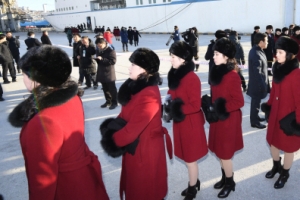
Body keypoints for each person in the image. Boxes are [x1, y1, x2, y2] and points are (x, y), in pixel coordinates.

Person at [8, 45, 109, 200]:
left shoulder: (43, 122)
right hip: (84, 181)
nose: (23, 79)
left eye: (24, 74)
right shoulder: (72, 98)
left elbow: (43, 180)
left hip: (65, 188)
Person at [100, 48, 172, 199]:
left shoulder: (149, 94)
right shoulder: (136, 88)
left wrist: (112, 140)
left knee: (144, 191)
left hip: (145, 153)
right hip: (135, 148)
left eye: (133, 65)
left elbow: (133, 129)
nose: (129, 67)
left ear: (144, 70)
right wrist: (111, 127)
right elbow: (125, 115)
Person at [166, 41, 208, 200]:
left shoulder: (192, 78)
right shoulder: (175, 74)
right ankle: (194, 181)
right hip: (180, 123)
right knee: (185, 155)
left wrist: (176, 109)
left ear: (183, 59)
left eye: (174, 56)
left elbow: (195, 105)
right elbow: (171, 94)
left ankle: (192, 189)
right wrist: (166, 105)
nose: (171, 59)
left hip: (190, 124)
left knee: (190, 159)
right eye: (171, 56)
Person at [261, 36, 300, 189]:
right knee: (273, 142)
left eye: (280, 52)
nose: (276, 55)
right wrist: (268, 106)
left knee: (288, 147)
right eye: (276, 51)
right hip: (275, 114)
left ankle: (285, 172)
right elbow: (273, 92)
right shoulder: (277, 68)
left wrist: (297, 122)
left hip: (288, 118)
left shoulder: (296, 74)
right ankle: (276, 165)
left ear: (289, 54)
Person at [208, 37, 244, 198]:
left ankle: (230, 182)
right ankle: (224, 177)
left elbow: (239, 101)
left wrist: (221, 108)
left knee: (225, 153)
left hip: (228, 120)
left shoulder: (232, 76)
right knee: (219, 151)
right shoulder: (216, 72)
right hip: (218, 119)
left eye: (216, 54)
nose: (213, 56)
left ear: (226, 57)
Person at [247, 33, 268, 129]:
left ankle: (256, 117)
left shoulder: (258, 50)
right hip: (257, 84)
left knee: (256, 102)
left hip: (258, 83)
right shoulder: (256, 53)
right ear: (261, 42)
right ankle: (254, 122)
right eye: (266, 41)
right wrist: (262, 85)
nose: (267, 42)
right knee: (255, 102)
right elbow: (257, 72)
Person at [95, 38, 118, 109]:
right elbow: (100, 61)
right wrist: (97, 60)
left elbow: (112, 61)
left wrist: (102, 59)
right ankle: (108, 101)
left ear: (104, 43)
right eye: (98, 46)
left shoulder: (111, 51)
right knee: (105, 89)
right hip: (101, 72)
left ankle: (114, 102)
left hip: (109, 73)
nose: (99, 47)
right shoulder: (99, 51)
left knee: (112, 89)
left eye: (100, 45)